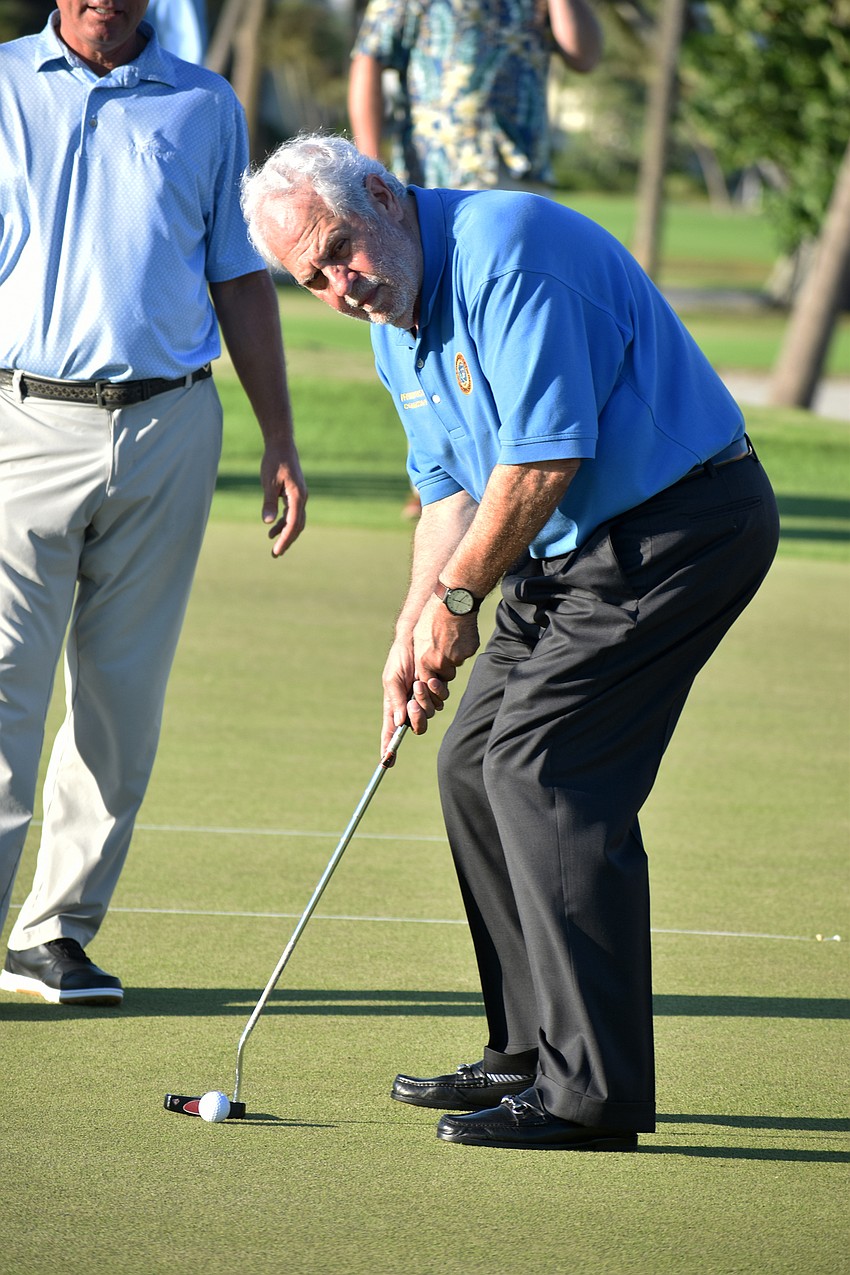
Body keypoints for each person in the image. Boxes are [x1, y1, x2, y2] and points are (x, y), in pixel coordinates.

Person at [240, 134, 779, 1151]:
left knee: (543, 770)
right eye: (310, 279)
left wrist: (455, 605)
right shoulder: (393, 316)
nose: (339, 285)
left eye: (340, 250)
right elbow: (447, 489)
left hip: (679, 526)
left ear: (386, 197)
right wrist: (412, 629)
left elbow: (543, 459)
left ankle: (594, 1095)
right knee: (470, 766)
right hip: (572, 548)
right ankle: (532, 1049)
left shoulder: (509, 246)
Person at [0, 3, 306, 1007]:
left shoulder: (206, 105)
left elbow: (237, 276)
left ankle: (54, 936)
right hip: (19, 419)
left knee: (122, 700)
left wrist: (279, 438)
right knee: (4, 687)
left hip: (168, 426)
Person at [347, 0, 603, 191]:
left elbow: (584, 57)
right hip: (438, 174)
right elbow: (370, 57)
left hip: (524, 169)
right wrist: (371, 164)